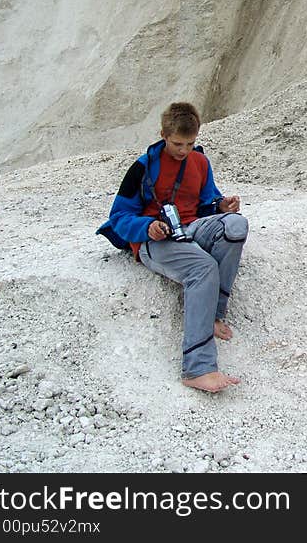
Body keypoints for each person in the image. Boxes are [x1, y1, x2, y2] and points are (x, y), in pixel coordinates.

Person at [97, 102, 248, 393]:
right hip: (156, 239)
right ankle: (198, 368)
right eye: (178, 144)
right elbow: (118, 217)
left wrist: (221, 206)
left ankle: (213, 315)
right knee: (203, 267)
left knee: (235, 225)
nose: (184, 150)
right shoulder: (142, 168)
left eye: (190, 143)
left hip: (190, 229)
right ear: (163, 135)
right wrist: (146, 228)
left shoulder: (200, 162)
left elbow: (207, 201)